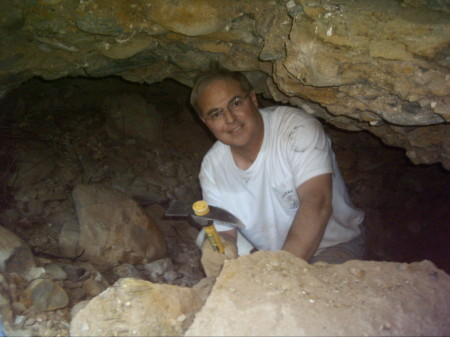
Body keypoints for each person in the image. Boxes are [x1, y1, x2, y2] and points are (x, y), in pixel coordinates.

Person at [190, 69, 365, 277]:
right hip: (269, 257)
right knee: (206, 240)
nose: (230, 119)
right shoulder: (212, 167)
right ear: (205, 122)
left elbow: (317, 202)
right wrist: (220, 248)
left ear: (253, 99)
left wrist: (280, 274)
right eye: (216, 114)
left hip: (332, 247)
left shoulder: (296, 129)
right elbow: (225, 231)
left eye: (236, 103)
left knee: (310, 298)